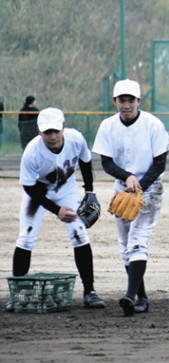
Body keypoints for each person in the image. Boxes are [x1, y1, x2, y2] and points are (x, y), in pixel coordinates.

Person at [7, 107, 106, 311]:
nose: (52, 136)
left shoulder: (76, 139)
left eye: (55, 131)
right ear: (39, 131)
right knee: (26, 237)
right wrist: (56, 210)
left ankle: (90, 292)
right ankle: (17, 294)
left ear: (63, 127)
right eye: (47, 132)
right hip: (39, 190)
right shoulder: (32, 152)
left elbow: (86, 162)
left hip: (66, 187)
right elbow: (29, 187)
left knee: (79, 233)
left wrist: (89, 192)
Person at [92, 79, 169, 316]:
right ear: (114, 101)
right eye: (121, 100)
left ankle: (129, 296)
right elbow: (106, 163)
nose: (126, 105)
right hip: (122, 189)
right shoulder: (107, 126)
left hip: (150, 188)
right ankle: (141, 298)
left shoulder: (153, 125)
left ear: (139, 101)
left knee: (138, 241)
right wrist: (127, 178)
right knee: (126, 247)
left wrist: (139, 186)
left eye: (131, 100)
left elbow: (160, 163)